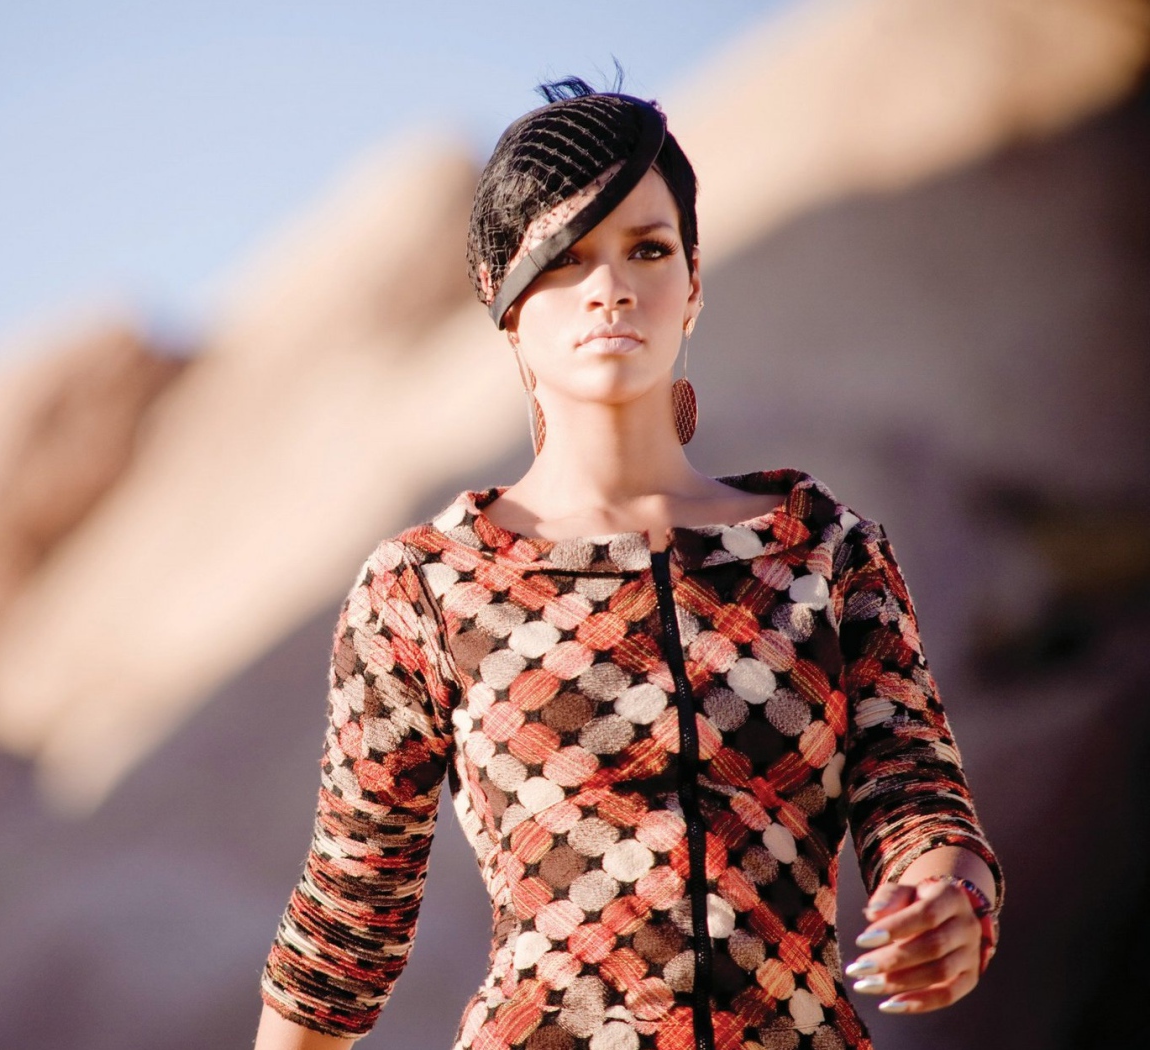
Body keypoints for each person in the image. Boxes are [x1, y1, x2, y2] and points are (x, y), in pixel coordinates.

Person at [254, 79, 1002, 1050]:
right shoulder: (426, 589)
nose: (610, 286)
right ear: (504, 302)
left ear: (693, 284)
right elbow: (346, 926)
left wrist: (949, 895)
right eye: (566, 258)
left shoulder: (826, 552)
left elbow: (918, 801)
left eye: (647, 249)